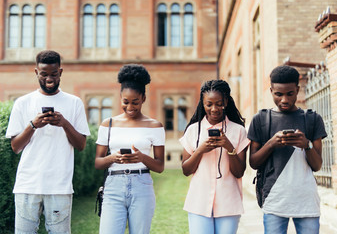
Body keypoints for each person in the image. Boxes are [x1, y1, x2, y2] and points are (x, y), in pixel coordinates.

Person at [5, 50, 90, 233]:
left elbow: (81, 145)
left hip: (60, 186)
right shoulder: (22, 103)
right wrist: (32, 125)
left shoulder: (74, 103)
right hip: (27, 185)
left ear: (60, 72)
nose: (49, 79)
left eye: (53, 74)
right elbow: (15, 147)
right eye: (44, 74)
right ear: (36, 72)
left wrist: (64, 123)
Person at [247, 65, 327, 234]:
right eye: (278, 94)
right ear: (271, 91)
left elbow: (317, 165)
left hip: (306, 199)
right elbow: (253, 162)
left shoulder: (312, 119)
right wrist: (271, 143)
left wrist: (307, 145)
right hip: (274, 199)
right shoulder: (261, 119)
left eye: (290, 94)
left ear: (298, 90)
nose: (284, 99)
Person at [94, 64, 165, 234]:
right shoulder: (108, 124)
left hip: (142, 185)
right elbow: (98, 162)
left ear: (144, 99)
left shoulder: (155, 126)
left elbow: (160, 166)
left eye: (135, 102)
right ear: (120, 98)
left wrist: (142, 158)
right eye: (125, 102)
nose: (130, 107)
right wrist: (113, 158)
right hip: (113, 187)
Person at [179, 80, 249, 234]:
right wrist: (199, 151)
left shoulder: (238, 131)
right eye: (209, 104)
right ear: (202, 104)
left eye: (219, 103)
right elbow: (185, 170)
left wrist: (229, 147)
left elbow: (239, 172)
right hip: (199, 202)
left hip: (228, 203)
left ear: (226, 102)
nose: (214, 109)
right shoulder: (193, 131)